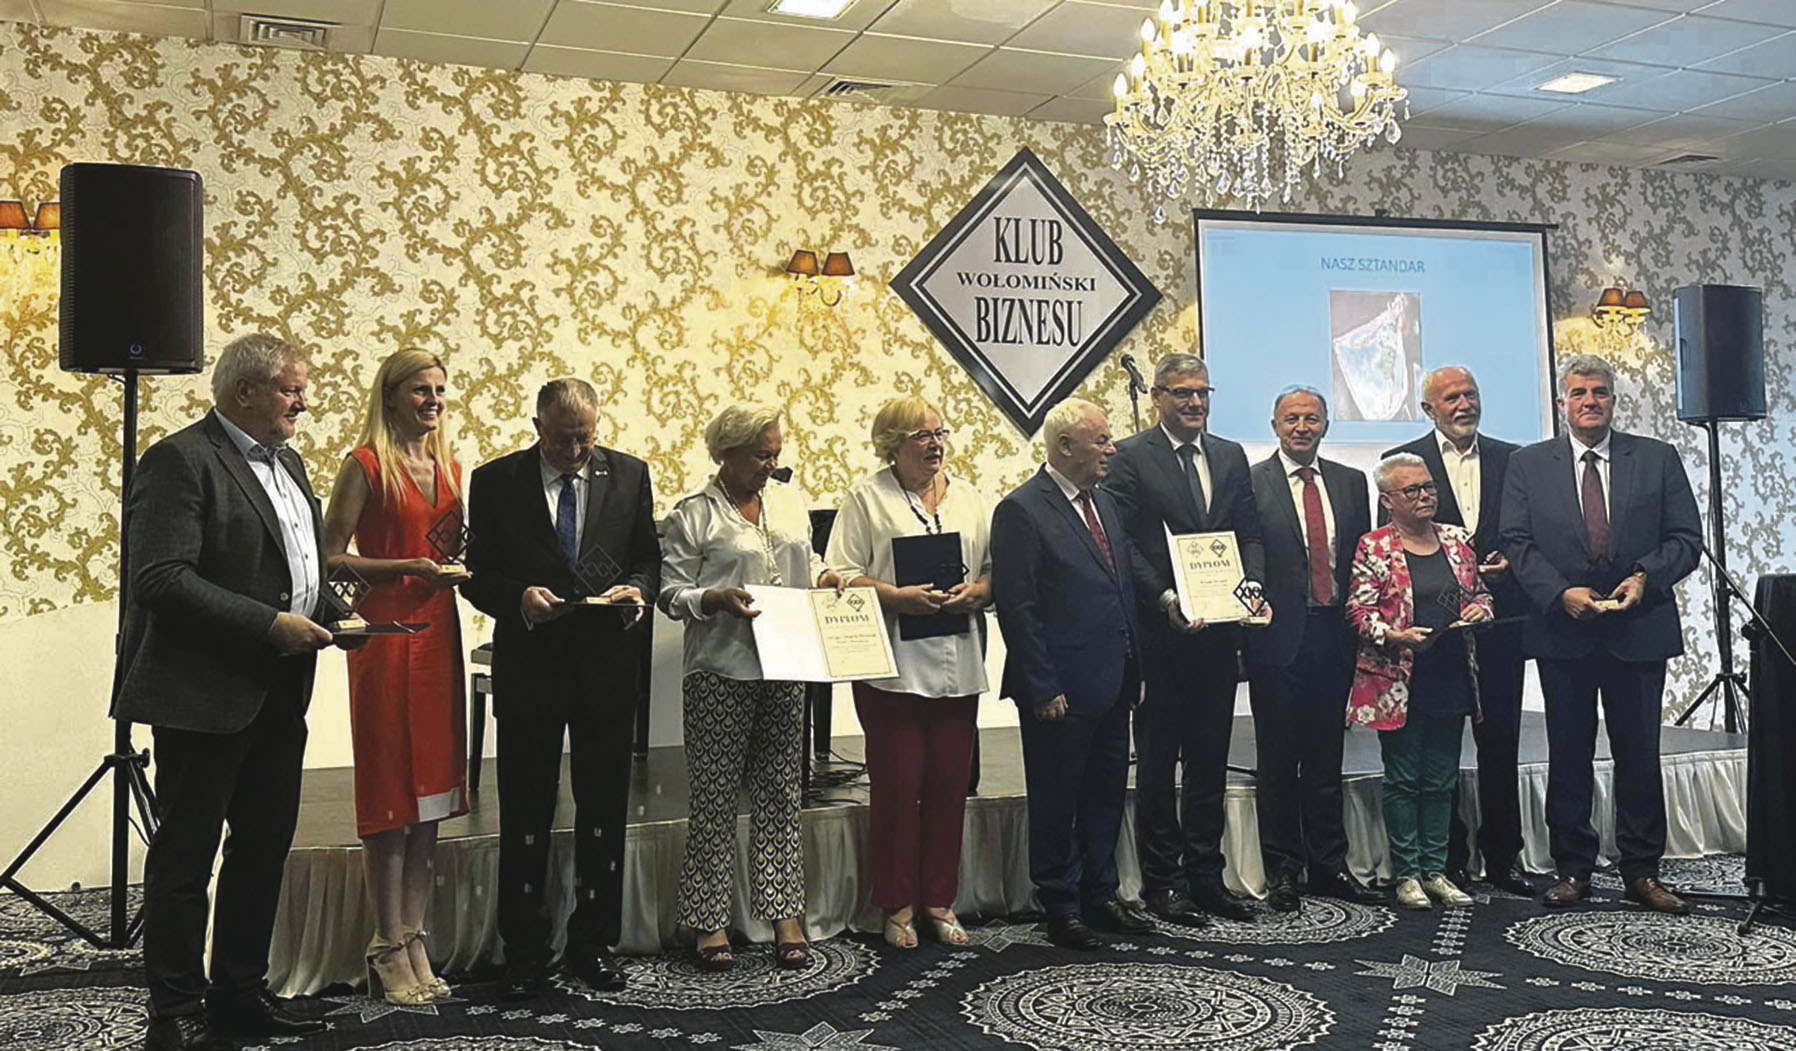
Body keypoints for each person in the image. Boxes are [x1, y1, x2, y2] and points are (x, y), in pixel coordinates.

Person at [115, 333, 352, 1051]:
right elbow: (160, 578)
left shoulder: (291, 462)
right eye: (291, 389)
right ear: (244, 391)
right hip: (203, 694)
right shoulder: (181, 459)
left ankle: (240, 995)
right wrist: (268, 626)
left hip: (281, 688)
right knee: (186, 857)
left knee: (262, 848)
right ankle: (175, 1011)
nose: (303, 403)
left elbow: (294, 571)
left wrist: (338, 616)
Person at [462, 378, 660, 999]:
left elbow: (648, 559)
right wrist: (517, 598)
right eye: (563, 440)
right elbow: (476, 576)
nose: (576, 451)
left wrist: (638, 590)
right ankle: (524, 950)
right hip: (531, 666)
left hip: (607, 667)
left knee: (604, 809)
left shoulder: (629, 475)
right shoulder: (497, 482)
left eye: (586, 438)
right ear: (536, 427)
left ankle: (593, 943)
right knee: (526, 811)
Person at [1500, 353, 1700, 914]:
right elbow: (1516, 541)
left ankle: (1643, 871)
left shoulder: (1657, 458)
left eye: (1600, 392)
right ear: (1561, 402)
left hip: (1639, 628)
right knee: (1568, 753)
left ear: (1614, 399)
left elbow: (1686, 538)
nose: (1590, 401)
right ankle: (1572, 868)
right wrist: (1560, 593)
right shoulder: (1528, 464)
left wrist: (1645, 577)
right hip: (1563, 631)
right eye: (1579, 393)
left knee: (1640, 754)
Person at [658, 404, 844, 971]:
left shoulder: (788, 501)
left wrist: (826, 577)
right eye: (762, 455)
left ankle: (785, 915)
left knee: (781, 793)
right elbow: (671, 593)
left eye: (776, 453)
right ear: (728, 452)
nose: (772, 464)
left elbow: (806, 560)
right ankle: (709, 921)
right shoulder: (694, 513)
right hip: (720, 670)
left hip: (787, 665)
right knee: (714, 799)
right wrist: (713, 599)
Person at [321, 348, 469, 1004]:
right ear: (390, 396)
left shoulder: (451, 467)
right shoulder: (365, 464)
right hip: (384, 636)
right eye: (419, 390)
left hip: (438, 633)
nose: (433, 400)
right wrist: (402, 565)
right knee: (390, 792)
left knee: (431, 795)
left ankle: (413, 935)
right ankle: (385, 943)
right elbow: (328, 555)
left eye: (439, 389)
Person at [826, 395, 992, 949]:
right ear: (892, 444)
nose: (935, 444)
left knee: (949, 785)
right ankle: (896, 905)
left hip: (958, 662)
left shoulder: (968, 497)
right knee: (898, 788)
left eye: (940, 433)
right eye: (923, 435)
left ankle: (939, 901)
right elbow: (838, 574)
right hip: (891, 669)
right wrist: (895, 596)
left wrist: (979, 591)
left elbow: (993, 570)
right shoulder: (866, 498)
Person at [1104, 354, 1262, 925]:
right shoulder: (1129, 457)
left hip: (1219, 635)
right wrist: (1167, 599)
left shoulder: (1230, 454)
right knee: (1158, 763)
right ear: (1156, 397)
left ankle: (1206, 875)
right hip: (1161, 635)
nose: (1195, 402)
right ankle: (1162, 883)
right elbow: (1124, 544)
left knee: (1210, 760)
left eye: (1202, 392)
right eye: (1182, 393)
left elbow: (1248, 533)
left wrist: (1253, 587)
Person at [992, 398, 1152, 950]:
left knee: (1105, 793)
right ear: (1064, 446)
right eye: (1101, 440)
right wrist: (1042, 684)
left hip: (1114, 680)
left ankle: (1100, 895)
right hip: (1058, 689)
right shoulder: (1021, 509)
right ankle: (1059, 904)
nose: (1112, 449)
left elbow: (1120, 587)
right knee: (1057, 798)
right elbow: (1019, 607)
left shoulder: (1105, 502)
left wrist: (1136, 667)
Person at [1381, 366, 1532, 896]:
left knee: (1501, 743)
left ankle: (1504, 857)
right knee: (1433, 749)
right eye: (1451, 397)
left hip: (1499, 623)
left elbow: (1529, 529)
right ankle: (1443, 860)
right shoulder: (1403, 463)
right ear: (1429, 409)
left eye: (1470, 394)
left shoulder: (1515, 458)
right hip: (1435, 638)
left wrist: (1509, 560)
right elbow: (1390, 546)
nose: (1464, 404)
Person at [1246, 386, 1380, 911]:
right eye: (1291, 419)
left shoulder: (1350, 482)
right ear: (1275, 425)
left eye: (1312, 418)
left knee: (1327, 758)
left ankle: (1329, 865)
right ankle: (1283, 868)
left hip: (1334, 636)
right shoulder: (1251, 482)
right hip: (1276, 639)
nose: (1302, 427)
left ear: (1326, 425)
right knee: (1278, 759)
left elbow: (1362, 561)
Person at [1348, 453, 1494, 910]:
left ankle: (1436, 871)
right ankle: (1406, 873)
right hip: (1398, 677)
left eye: (1428, 487)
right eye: (1412, 490)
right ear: (1388, 501)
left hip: (1451, 672)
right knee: (1404, 778)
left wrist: (1480, 609)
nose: (1425, 496)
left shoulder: (1456, 539)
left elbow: (1480, 594)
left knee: (1441, 778)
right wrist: (1394, 635)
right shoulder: (1374, 546)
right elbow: (1358, 611)